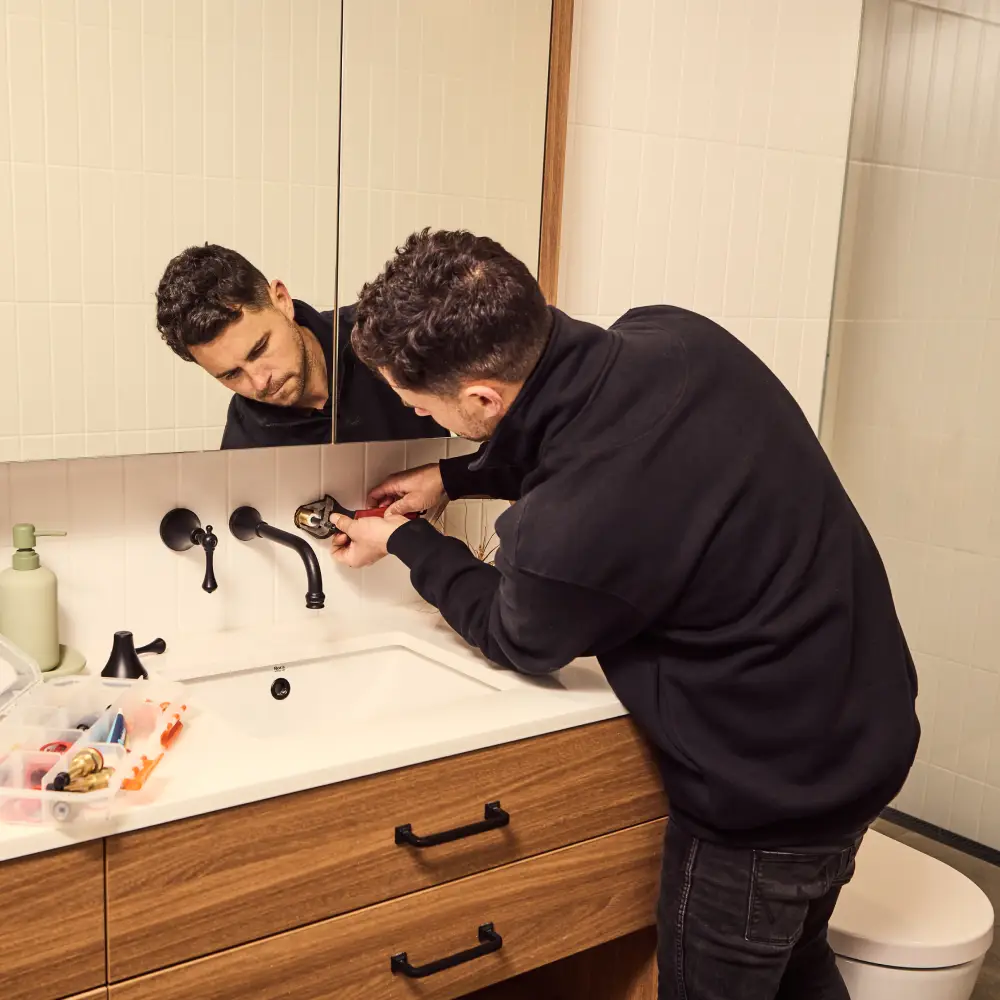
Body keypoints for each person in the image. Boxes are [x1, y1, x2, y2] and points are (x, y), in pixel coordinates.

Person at [327, 228, 919, 1000]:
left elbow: (516, 633)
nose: (411, 409)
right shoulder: (675, 336)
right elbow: (579, 428)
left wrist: (411, 542)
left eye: (417, 403)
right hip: (864, 732)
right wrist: (453, 475)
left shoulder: (568, 526)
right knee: (799, 967)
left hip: (769, 797)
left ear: (479, 397)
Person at [155, 244, 449, 447]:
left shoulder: (388, 333)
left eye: (259, 349)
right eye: (232, 375)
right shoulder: (244, 445)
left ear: (281, 300)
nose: (260, 382)